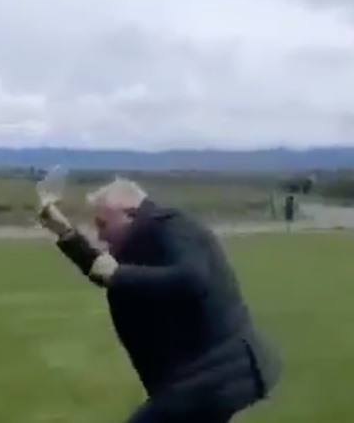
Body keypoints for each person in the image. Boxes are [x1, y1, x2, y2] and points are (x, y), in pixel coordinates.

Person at [38, 177, 281, 423]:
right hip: (207, 378)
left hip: (218, 375)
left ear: (130, 214)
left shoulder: (173, 226)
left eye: (103, 224)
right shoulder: (141, 239)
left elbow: (192, 278)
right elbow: (103, 271)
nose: (100, 236)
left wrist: (118, 274)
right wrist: (64, 231)